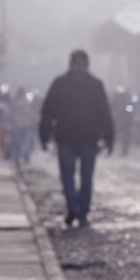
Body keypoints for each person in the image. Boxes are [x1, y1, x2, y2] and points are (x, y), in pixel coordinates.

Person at [40, 50, 114, 227]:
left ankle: (82, 211)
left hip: (88, 138)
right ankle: (74, 206)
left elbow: (104, 113)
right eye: (76, 64)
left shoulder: (95, 85)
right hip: (66, 138)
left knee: (86, 178)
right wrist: (44, 134)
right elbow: (48, 111)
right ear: (71, 65)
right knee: (67, 177)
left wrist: (109, 136)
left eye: (81, 64)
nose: (79, 68)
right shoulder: (60, 84)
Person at [9, 87, 39, 166]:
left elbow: (32, 113)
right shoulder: (18, 102)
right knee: (22, 142)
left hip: (22, 125)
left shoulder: (16, 101)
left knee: (21, 142)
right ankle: (22, 156)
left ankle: (21, 156)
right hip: (23, 125)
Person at [111, 86, 134, 156]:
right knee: (117, 134)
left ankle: (124, 150)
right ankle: (116, 148)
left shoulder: (126, 97)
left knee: (125, 135)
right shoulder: (116, 97)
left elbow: (130, 107)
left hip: (124, 118)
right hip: (119, 118)